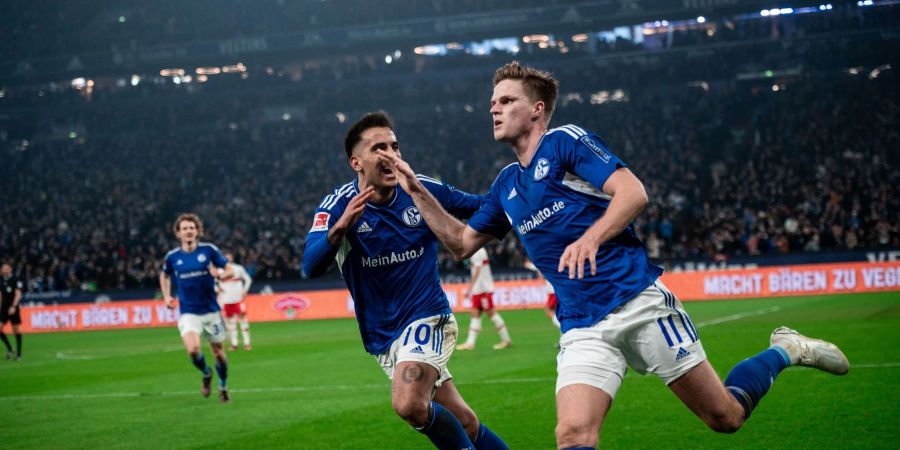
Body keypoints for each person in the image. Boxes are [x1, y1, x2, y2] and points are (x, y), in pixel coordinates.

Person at [377, 61, 849, 449]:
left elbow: (632, 192)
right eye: (492, 104)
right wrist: (416, 189)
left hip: (637, 301)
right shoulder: (506, 185)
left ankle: (785, 348)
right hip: (582, 325)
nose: (494, 110)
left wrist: (592, 237)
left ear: (537, 110)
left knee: (724, 417)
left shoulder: (565, 143)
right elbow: (461, 243)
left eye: (506, 101)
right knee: (573, 434)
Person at [302, 111, 508, 450]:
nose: (391, 155)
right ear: (357, 162)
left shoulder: (420, 186)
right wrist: (340, 229)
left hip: (427, 316)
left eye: (394, 147)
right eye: (378, 148)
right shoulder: (338, 205)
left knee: (409, 404)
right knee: (466, 423)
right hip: (383, 336)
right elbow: (310, 265)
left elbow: (482, 206)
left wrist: (519, 202)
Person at [160, 213, 234, 403]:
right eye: (184, 228)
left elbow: (229, 270)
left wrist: (218, 273)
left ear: (197, 231)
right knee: (193, 350)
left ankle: (223, 386)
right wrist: (167, 295)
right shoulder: (173, 257)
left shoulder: (209, 251)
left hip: (211, 312)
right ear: (178, 233)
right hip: (189, 313)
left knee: (220, 354)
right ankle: (206, 373)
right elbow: (164, 275)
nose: (188, 231)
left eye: (191, 228)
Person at [456, 247, 511, 351]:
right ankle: (470, 343)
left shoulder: (477, 251)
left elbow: (477, 269)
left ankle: (506, 340)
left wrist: (470, 287)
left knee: (492, 314)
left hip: (483, 289)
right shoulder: (477, 250)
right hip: (478, 290)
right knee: (475, 314)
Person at [217, 251, 253, 351]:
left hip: (238, 299)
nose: (228, 259)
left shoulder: (238, 268)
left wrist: (245, 291)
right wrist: (217, 289)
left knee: (243, 320)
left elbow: (248, 279)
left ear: (232, 258)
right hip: (226, 300)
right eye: (226, 258)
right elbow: (214, 283)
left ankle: (247, 343)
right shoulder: (219, 270)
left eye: (229, 257)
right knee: (230, 323)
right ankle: (234, 344)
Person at [524, 258, 559, 330]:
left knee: (549, 311)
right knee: (558, 311)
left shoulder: (549, 259)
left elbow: (540, 266)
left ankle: (562, 328)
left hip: (552, 289)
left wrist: (529, 265)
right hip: (558, 288)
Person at [0, 263, 24, 361]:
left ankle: (19, 354)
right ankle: (10, 349)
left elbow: (18, 294)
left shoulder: (16, 279)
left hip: (13, 308)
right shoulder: (0, 280)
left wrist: (13, 306)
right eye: (2, 268)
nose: (3, 270)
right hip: (3, 309)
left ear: (10, 269)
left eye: (6, 268)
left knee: (16, 330)